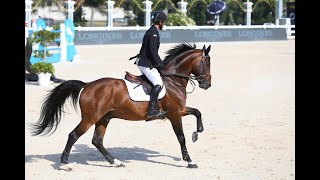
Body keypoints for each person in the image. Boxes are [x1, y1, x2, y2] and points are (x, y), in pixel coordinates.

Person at [129, 11, 167, 119]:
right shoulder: (154, 33)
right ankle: (151, 110)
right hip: (146, 63)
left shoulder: (152, 30)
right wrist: (160, 63)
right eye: (163, 22)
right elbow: (152, 51)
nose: (163, 24)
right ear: (160, 22)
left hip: (144, 62)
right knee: (158, 83)